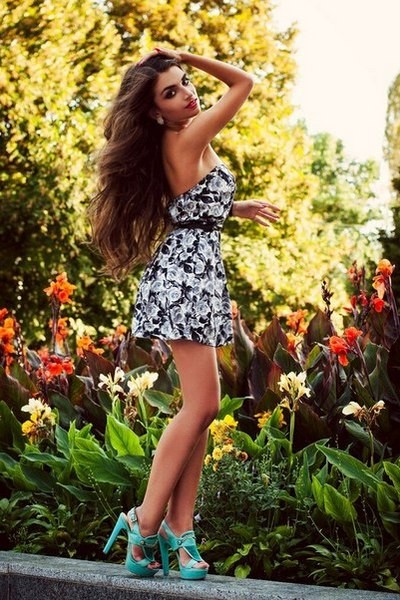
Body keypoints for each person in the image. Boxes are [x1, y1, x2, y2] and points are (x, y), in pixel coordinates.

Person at [89, 46, 280, 580]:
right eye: (171, 92)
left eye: (185, 83)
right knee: (201, 407)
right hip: (186, 279)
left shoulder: (183, 139)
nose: (188, 95)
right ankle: (145, 524)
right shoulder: (187, 135)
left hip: (196, 274)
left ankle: (180, 528)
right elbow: (244, 82)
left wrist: (236, 207)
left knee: (202, 409)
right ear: (155, 112)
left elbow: (187, 202)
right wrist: (189, 56)